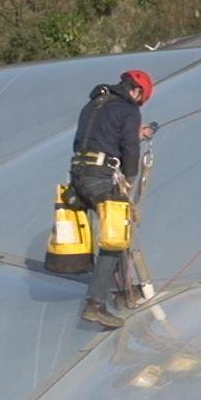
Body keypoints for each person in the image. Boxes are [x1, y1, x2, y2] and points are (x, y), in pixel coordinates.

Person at [69, 69, 155, 328]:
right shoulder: (129, 109)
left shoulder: (95, 104)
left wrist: (133, 131)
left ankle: (122, 293)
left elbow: (101, 135)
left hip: (78, 176)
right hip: (100, 177)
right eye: (141, 100)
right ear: (136, 91)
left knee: (115, 232)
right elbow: (129, 150)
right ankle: (95, 304)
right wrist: (129, 178)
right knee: (116, 236)